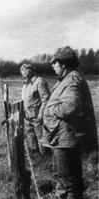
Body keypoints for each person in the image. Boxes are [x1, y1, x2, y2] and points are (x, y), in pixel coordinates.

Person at [43, 46, 98, 199]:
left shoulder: (72, 79)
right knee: (65, 179)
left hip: (67, 139)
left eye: (55, 62)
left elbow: (70, 107)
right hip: (63, 137)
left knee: (69, 184)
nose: (52, 65)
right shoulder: (68, 79)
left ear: (64, 64)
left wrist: (50, 109)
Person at [20, 63, 50, 156]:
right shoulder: (25, 84)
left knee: (41, 137)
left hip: (38, 117)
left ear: (29, 71)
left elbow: (46, 100)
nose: (23, 75)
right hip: (28, 116)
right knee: (30, 136)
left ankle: (45, 156)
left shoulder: (40, 82)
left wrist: (41, 115)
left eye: (24, 73)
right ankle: (35, 155)